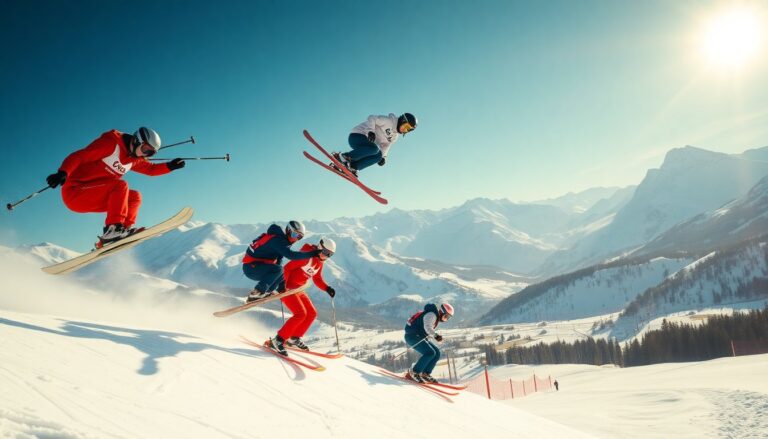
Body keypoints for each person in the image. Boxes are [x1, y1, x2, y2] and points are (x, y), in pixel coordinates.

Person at [45, 127, 186, 247]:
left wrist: (169, 166)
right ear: (137, 140)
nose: (145, 154)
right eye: (145, 149)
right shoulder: (111, 145)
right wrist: (63, 172)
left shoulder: (134, 159)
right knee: (120, 185)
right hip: (76, 192)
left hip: (95, 193)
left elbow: (150, 170)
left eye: (150, 153)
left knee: (134, 197)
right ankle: (112, 230)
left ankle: (122, 230)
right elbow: (80, 156)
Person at [267, 237, 337, 356]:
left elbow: (317, 278)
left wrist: (327, 288)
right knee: (300, 314)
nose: (327, 256)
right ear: (320, 247)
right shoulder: (305, 256)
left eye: (330, 255)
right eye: (326, 252)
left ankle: (293, 339)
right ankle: (278, 340)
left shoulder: (319, 262)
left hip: (298, 289)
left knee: (311, 313)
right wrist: (282, 287)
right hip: (287, 288)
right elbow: (286, 269)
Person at [242, 220, 320, 303]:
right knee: (278, 269)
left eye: (299, 237)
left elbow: (279, 262)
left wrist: (281, 287)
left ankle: (267, 292)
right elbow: (291, 255)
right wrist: (313, 254)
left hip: (257, 267)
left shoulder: (282, 241)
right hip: (251, 268)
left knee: (280, 269)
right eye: (294, 234)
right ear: (288, 231)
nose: (295, 239)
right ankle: (256, 293)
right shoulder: (277, 240)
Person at [332, 113, 417, 177]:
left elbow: (386, 145)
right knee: (374, 149)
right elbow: (372, 118)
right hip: (356, 136)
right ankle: (343, 157)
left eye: (407, 130)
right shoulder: (388, 121)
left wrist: (384, 157)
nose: (404, 130)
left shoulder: (394, 137)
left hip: (366, 147)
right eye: (405, 126)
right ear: (402, 120)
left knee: (378, 156)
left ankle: (353, 167)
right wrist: (371, 131)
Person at [403, 302, 454, 383]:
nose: (446, 319)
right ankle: (414, 372)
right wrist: (436, 336)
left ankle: (425, 374)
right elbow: (427, 327)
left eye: (448, 318)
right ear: (441, 312)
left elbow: (425, 329)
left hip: (418, 336)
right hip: (412, 336)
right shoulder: (432, 314)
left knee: (436, 353)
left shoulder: (435, 316)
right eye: (446, 316)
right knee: (430, 353)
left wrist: (435, 336)